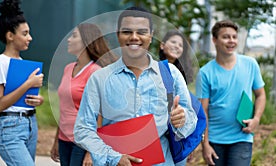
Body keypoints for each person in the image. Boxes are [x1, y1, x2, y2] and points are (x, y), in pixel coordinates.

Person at [74, 6, 197, 166]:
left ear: (151, 36)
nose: (134, 37)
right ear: (118, 35)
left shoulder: (170, 74)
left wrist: (182, 119)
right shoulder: (100, 78)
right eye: (127, 32)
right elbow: (83, 129)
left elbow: (190, 120)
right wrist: (113, 157)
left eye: (141, 31)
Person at [196, 20, 266, 166]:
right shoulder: (205, 73)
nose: (231, 41)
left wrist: (257, 119)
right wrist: (205, 145)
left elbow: (260, 95)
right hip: (215, 139)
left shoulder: (250, 64)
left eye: (234, 37)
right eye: (226, 37)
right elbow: (203, 111)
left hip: (242, 136)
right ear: (214, 40)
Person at [50, 23, 118, 166]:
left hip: (82, 143)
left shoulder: (95, 72)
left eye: (74, 36)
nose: (68, 39)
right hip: (64, 140)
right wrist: (56, 140)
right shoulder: (68, 68)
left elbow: (100, 114)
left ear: (87, 42)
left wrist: (91, 151)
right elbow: (64, 108)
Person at [0, 0, 44, 165]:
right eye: (25, 33)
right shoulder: (0, 63)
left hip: (29, 124)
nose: (30, 38)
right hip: (10, 128)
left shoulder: (21, 63)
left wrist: (38, 100)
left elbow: (20, 98)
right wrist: (28, 84)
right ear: (10, 36)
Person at [159, 29, 195, 165]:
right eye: (173, 42)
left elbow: (190, 108)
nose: (176, 46)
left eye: (180, 45)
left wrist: (190, 141)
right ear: (162, 45)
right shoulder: (151, 68)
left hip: (179, 134)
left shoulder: (183, 74)